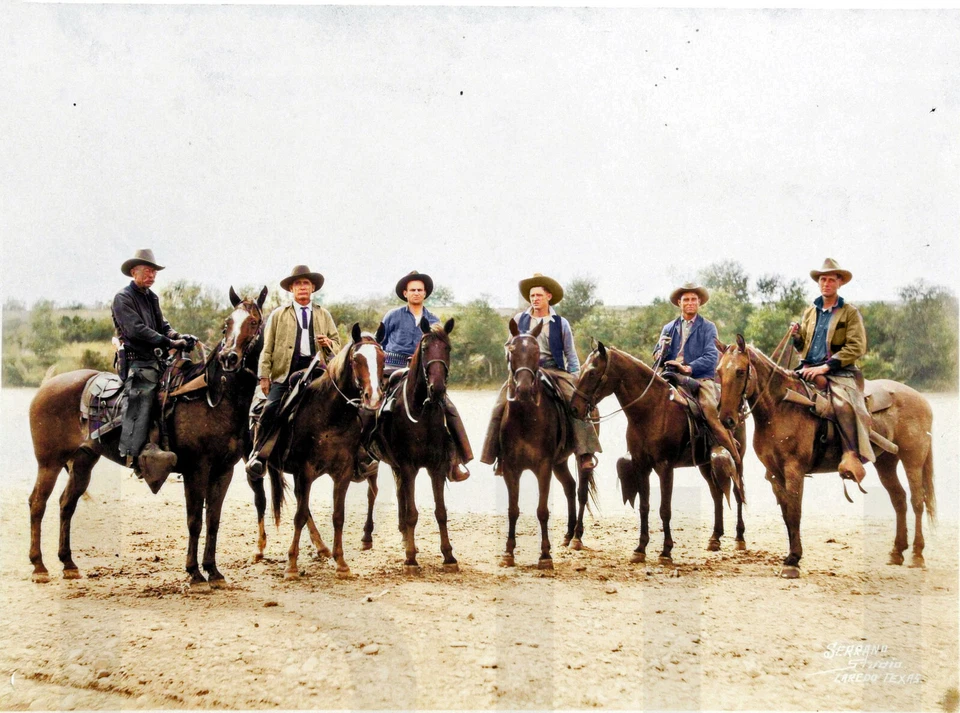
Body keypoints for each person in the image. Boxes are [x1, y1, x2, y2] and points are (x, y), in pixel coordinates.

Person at [480, 273, 601, 475]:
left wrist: (574, 377)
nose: (534, 299)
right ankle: (497, 455)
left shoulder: (560, 323)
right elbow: (508, 344)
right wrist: (510, 353)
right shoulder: (519, 320)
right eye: (532, 295)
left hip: (554, 370)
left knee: (576, 404)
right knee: (500, 405)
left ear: (548, 297)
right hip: (524, 371)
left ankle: (585, 453)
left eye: (538, 295)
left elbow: (570, 354)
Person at [245, 265, 341, 479]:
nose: (302, 287)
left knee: (344, 403)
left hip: (318, 370)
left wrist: (329, 344)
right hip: (284, 371)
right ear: (291, 289)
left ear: (313, 287)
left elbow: (337, 342)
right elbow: (267, 346)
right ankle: (259, 455)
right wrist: (264, 375)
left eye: (306, 283)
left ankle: (357, 456)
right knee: (270, 408)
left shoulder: (323, 314)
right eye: (298, 284)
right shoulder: (279, 315)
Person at [378, 270, 472, 482]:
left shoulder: (434, 320)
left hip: (421, 371)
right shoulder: (392, 316)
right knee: (373, 404)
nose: (417, 293)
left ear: (425, 293)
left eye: (420, 290)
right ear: (405, 293)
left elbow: (437, 349)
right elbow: (380, 344)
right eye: (412, 290)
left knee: (447, 405)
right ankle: (362, 452)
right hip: (394, 367)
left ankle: (457, 459)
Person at [111, 249, 194, 483]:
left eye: (154, 271)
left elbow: (162, 325)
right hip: (137, 362)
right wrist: (169, 342)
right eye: (147, 271)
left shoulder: (151, 297)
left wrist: (179, 336)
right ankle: (134, 455)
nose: (152, 275)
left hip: (157, 360)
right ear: (133, 272)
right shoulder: (123, 298)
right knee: (143, 394)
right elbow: (136, 329)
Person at [791, 258, 874, 483]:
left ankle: (850, 454)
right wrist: (797, 338)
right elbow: (804, 346)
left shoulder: (849, 312)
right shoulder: (810, 311)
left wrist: (826, 366)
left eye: (831, 280)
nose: (826, 283)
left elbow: (857, 346)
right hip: (808, 368)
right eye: (822, 279)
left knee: (841, 403)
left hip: (838, 371)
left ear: (839, 283)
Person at [653, 282, 743, 483]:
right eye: (686, 299)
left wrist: (688, 367)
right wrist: (660, 353)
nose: (690, 303)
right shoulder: (669, 328)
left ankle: (726, 448)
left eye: (694, 299)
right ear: (679, 303)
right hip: (670, 374)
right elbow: (656, 352)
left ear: (699, 302)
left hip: (699, 378)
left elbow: (712, 356)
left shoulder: (708, 327)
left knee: (709, 407)